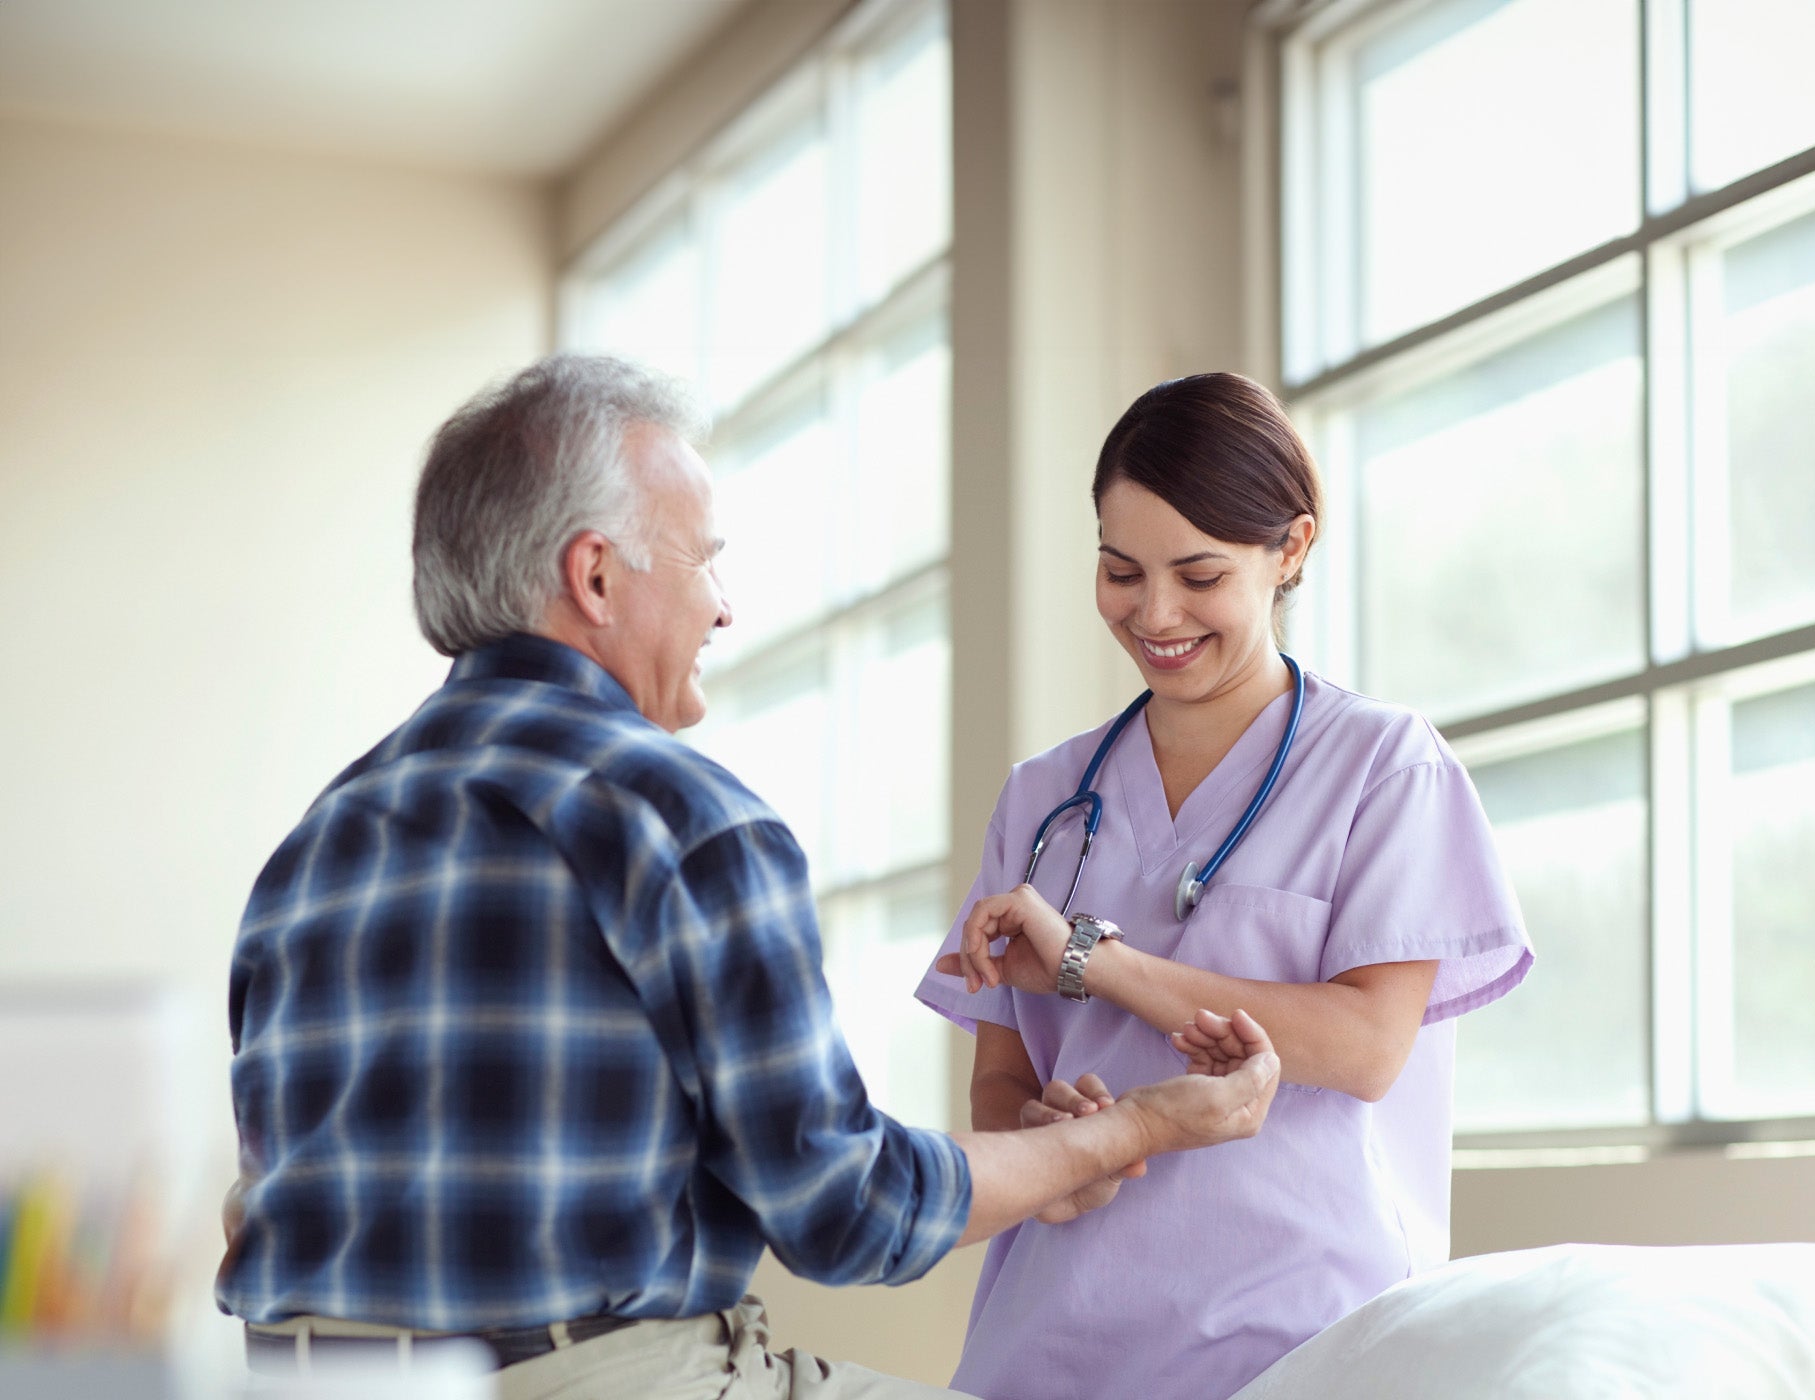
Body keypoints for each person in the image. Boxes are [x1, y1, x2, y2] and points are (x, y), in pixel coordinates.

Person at [215, 354, 1286, 1400]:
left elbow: (267, 1202)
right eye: (703, 561)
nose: (724, 609)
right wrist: (1139, 1126)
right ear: (594, 576)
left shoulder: (315, 847)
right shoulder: (675, 814)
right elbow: (844, 1209)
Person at [915, 372, 1534, 1400]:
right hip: (1054, 1343)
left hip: (1303, 1336)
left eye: (1199, 575)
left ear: (1289, 549)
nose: (1155, 612)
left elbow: (1367, 1045)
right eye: (1121, 570)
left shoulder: (1384, 768)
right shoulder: (1043, 796)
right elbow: (1001, 1074)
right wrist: (1044, 1134)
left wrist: (1095, 961)